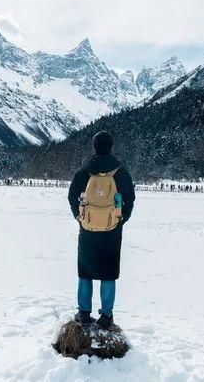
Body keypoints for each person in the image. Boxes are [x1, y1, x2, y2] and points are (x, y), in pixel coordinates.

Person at [67, 131, 135, 329]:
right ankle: (106, 316)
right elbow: (130, 199)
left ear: (94, 146)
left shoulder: (84, 169)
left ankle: (84, 313)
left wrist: (80, 218)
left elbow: (72, 196)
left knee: (85, 271)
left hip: (87, 229)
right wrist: (120, 220)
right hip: (112, 230)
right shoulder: (120, 171)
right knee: (108, 273)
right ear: (111, 146)